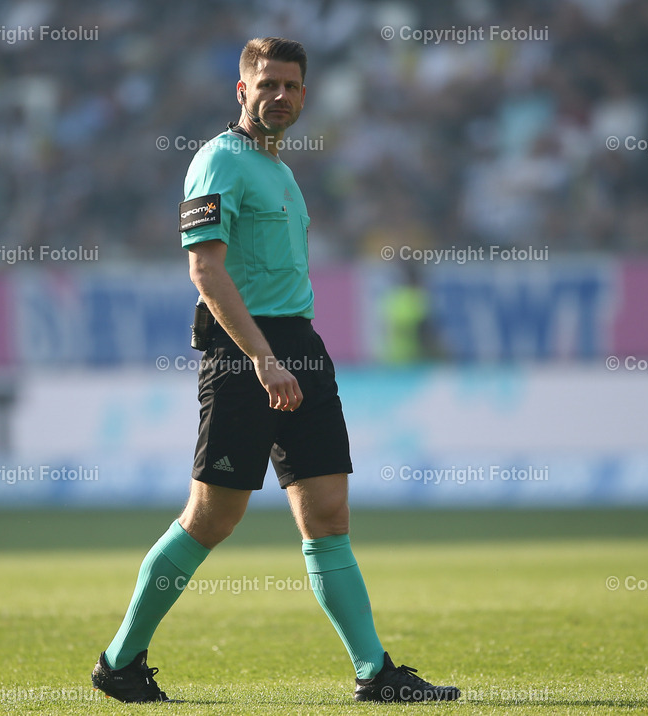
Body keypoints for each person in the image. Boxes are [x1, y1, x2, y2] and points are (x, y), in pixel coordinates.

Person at [91, 37, 460, 704]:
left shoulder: (283, 173)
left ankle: (374, 673)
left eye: (291, 86)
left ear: (304, 96)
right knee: (211, 517)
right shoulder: (218, 162)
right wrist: (263, 361)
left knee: (327, 512)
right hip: (246, 355)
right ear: (242, 92)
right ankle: (119, 660)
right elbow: (206, 271)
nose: (279, 96)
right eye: (267, 85)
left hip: (302, 348)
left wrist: (291, 357)